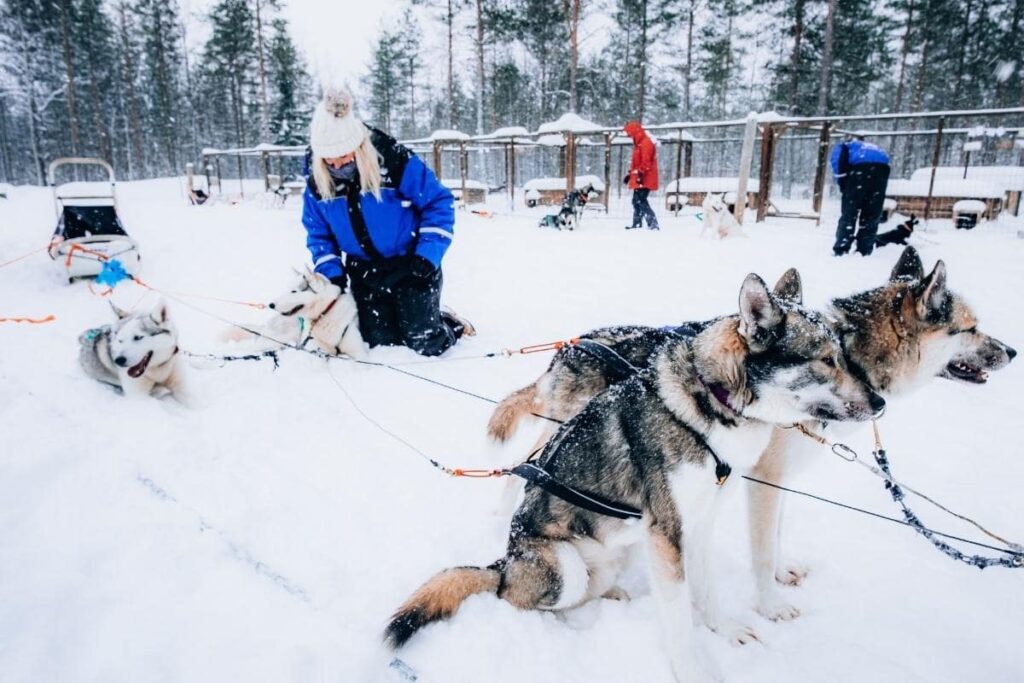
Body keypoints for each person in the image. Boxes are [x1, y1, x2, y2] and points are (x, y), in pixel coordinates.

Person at [301, 87, 471, 357]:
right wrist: (330, 270)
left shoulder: (393, 161)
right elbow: (319, 233)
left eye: (344, 154)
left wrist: (428, 254)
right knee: (381, 344)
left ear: (359, 145)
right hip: (365, 272)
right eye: (328, 159)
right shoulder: (317, 183)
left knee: (424, 343)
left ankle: (449, 323)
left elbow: (438, 203)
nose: (336, 164)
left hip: (412, 265)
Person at [830, 135, 891, 256]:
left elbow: (837, 163)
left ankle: (842, 248)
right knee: (872, 214)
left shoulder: (844, 147)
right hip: (882, 171)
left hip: (859, 171)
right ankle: (865, 249)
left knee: (849, 213)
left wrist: (843, 184)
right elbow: (886, 159)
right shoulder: (873, 148)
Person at [623, 120, 660, 230]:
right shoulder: (639, 144)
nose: (629, 136)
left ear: (634, 132)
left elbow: (646, 162)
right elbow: (637, 163)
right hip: (641, 177)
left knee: (641, 201)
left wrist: (639, 174)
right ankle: (637, 224)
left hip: (645, 178)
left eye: (630, 134)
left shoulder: (646, 143)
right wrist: (631, 175)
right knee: (636, 201)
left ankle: (653, 224)